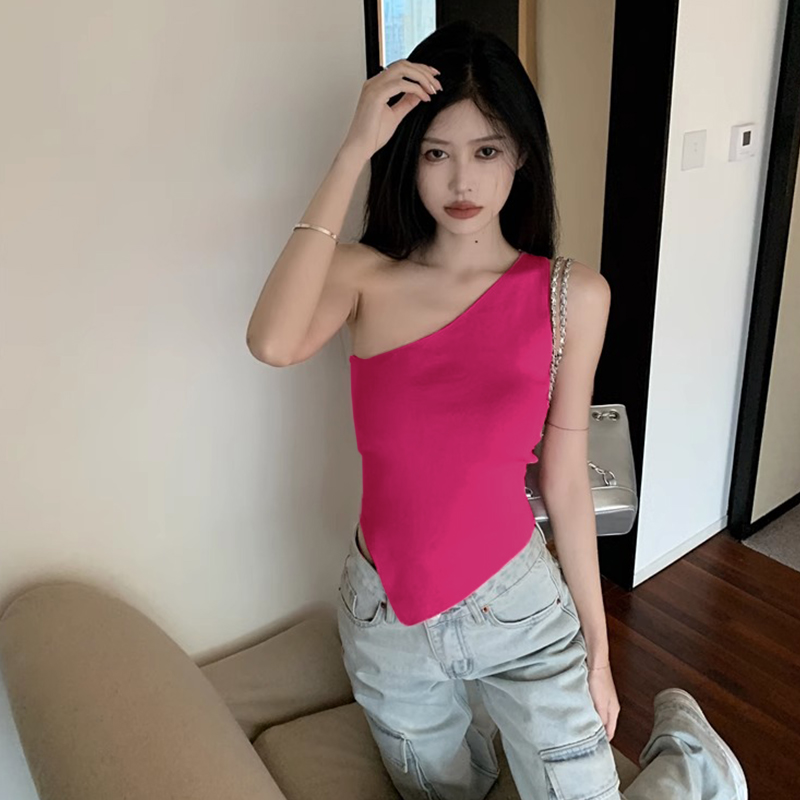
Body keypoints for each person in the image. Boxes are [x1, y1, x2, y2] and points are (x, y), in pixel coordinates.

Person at [246, 19, 748, 800]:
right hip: (386, 619)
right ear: (405, 158)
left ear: (520, 155)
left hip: (519, 611)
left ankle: (692, 757)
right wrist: (352, 150)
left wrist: (599, 650)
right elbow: (272, 341)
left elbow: (565, 479)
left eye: (486, 151)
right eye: (434, 153)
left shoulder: (572, 295)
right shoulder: (361, 277)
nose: (461, 183)